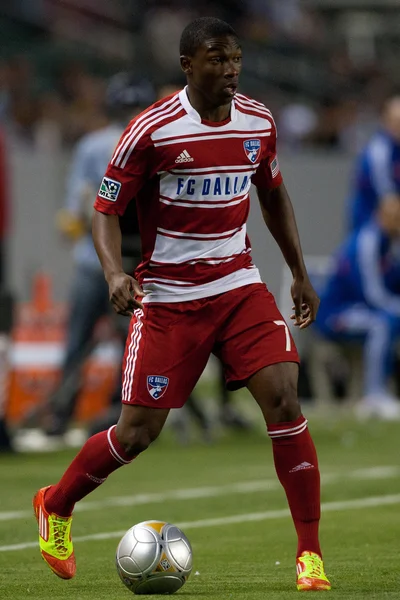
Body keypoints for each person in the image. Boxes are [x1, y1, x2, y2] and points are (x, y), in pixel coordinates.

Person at [33, 17, 330, 592]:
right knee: (138, 433)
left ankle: (310, 555)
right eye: (217, 60)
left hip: (239, 285)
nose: (231, 70)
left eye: (236, 58)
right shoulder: (152, 129)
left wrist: (296, 272)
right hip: (169, 298)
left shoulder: (258, 121)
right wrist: (116, 272)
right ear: (188, 66)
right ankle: (58, 504)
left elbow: (272, 194)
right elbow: (105, 208)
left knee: (285, 398)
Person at [29, 75, 157, 440]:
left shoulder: (93, 144)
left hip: (94, 257)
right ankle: (118, 412)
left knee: (81, 340)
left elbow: (76, 209)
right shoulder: (154, 141)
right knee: (131, 342)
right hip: (133, 262)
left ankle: (61, 413)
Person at [316, 199, 400, 420]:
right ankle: (374, 396)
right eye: (395, 218)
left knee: (385, 320)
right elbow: (373, 294)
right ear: (381, 216)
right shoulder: (367, 242)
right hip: (336, 314)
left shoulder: (390, 244)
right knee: (381, 324)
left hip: (363, 310)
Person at [348, 95, 400, 233]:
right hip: (370, 221)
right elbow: (389, 201)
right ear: (386, 121)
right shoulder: (378, 152)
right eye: (396, 121)